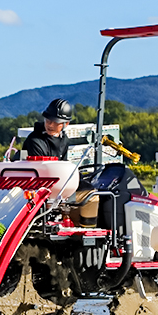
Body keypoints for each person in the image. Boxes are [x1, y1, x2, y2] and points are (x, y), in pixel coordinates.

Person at [22, 98, 99, 228]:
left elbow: (63, 164)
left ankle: (74, 226)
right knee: (92, 196)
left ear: (66, 124)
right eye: (48, 120)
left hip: (56, 185)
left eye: (55, 122)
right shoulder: (35, 141)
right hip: (45, 189)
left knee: (89, 188)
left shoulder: (64, 140)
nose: (50, 124)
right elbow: (42, 171)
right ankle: (86, 233)